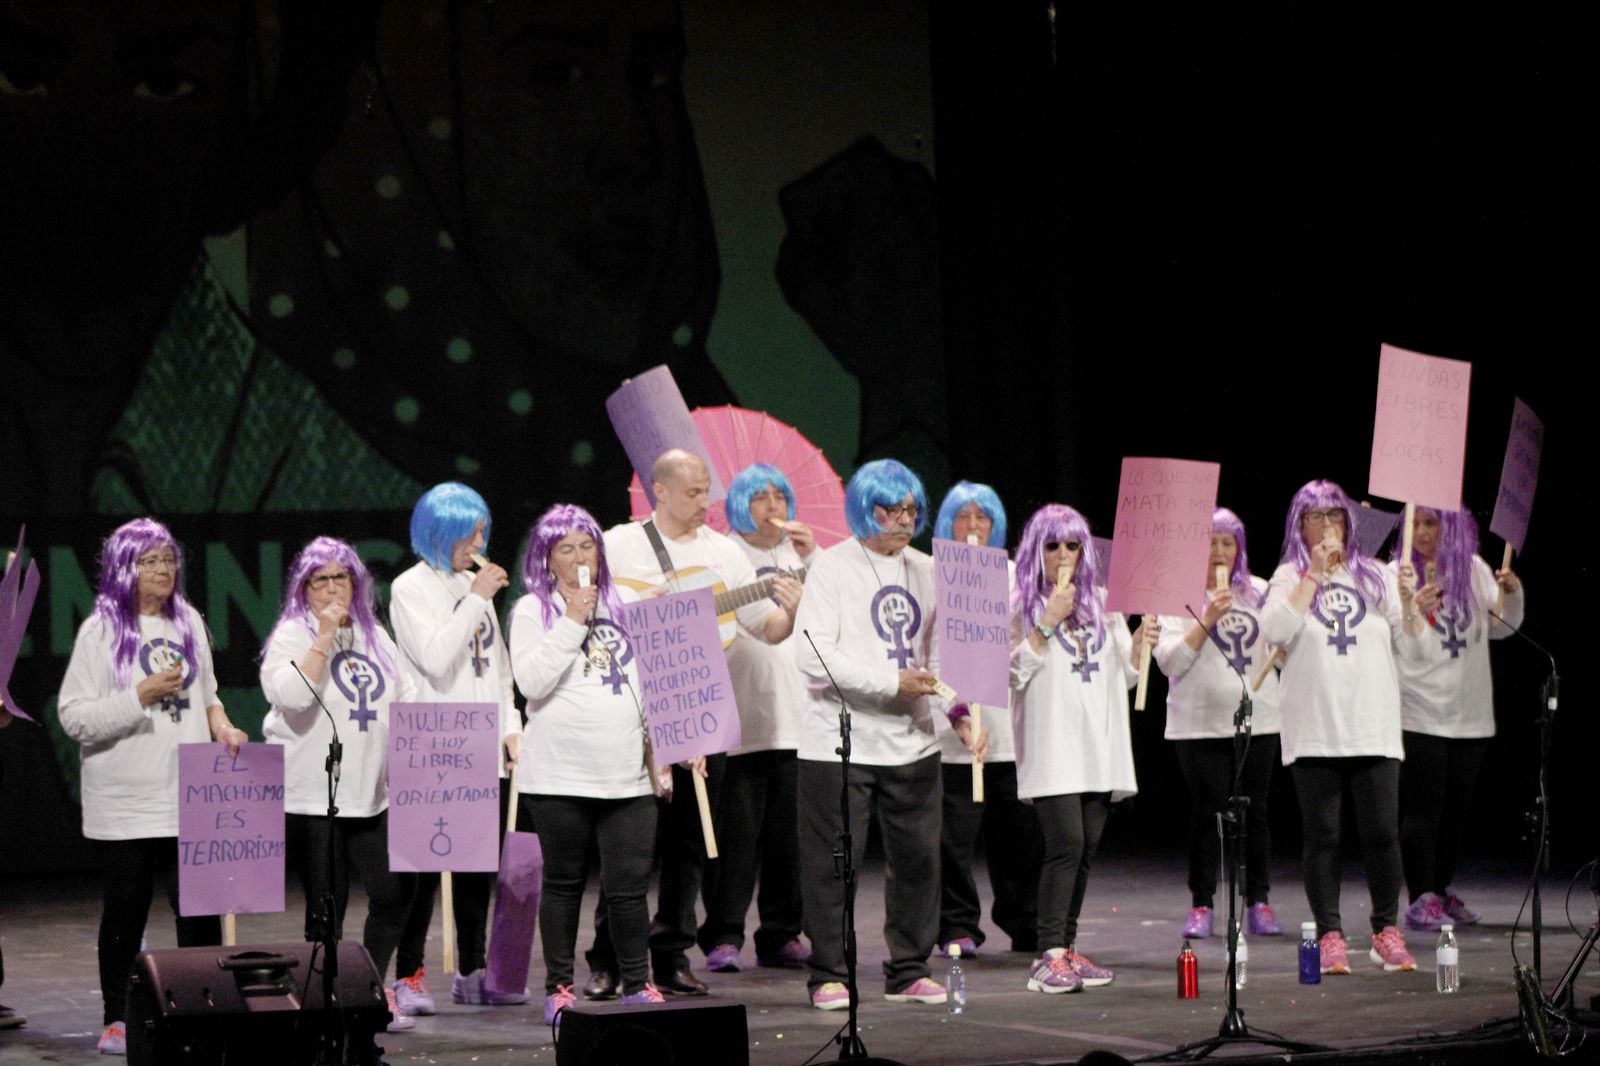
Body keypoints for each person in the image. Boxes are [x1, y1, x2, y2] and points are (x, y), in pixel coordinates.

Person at [583, 449, 801, 997]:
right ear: (659, 491)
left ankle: (672, 954)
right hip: (632, 711)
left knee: (691, 841)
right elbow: (588, 612)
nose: (705, 502)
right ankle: (610, 956)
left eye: (708, 491)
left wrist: (792, 607)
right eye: (693, 492)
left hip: (699, 702)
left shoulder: (725, 552)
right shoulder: (620, 544)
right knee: (628, 844)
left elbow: (767, 628)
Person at [794, 459, 986, 1010]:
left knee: (920, 862)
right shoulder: (832, 567)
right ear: (864, 509)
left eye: (910, 509)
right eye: (890, 509)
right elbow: (812, 655)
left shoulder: (929, 570)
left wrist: (959, 713)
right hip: (839, 743)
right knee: (834, 866)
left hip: (912, 742)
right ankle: (829, 973)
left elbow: (942, 658)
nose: (903, 519)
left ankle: (908, 970)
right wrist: (888, 682)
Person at [57, 518, 248, 1055]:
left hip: (188, 796)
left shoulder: (188, 621)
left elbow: (209, 696)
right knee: (126, 911)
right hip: (126, 802)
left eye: (169, 559)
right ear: (126, 568)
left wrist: (224, 728)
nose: (164, 569)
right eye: (150, 561)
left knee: (200, 911)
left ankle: (204, 1011)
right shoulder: (101, 631)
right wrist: (138, 695)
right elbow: (74, 717)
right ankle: (117, 1019)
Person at [509, 504, 665, 1024]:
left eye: (587, 545)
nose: (579, 556)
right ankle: (558, 987)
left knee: (629, 889)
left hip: (627, 774)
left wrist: (671, 744)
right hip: (559, 775)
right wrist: (572, 620)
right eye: (566, 548)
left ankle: (638, 983)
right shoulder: (532, 611)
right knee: (563, 883)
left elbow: (654, 684)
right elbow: (532, 682)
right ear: (547, 559)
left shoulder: (628, 605)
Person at [1261, 480, 1424, 975]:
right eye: (1315, 517)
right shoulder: (1287, 577)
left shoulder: (1376, 575)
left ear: (1349, 523)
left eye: (1335, 516)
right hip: (1316, 727)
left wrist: (1410, 602)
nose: (1327, 526)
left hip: (1372, 725)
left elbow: (1412, 646)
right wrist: (1312, 575)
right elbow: (1275, 631)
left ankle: (1385, 931)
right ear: (1300, 526)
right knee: (1323, 835)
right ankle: (1330, 934)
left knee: (1382, 834)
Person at [260, 537, 419, 1034]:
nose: (332, 588)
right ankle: (325, 1002)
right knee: (326, 911)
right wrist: (324, 637)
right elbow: (291, 697)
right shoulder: (293, 634)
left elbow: (407, 696)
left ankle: (366, 988)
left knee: (393, 894)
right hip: (315, 797)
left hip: (373, 793)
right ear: (304, 589)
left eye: (341, 578)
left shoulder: (376, 636)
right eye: (321, 580)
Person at [1008, 505, 1157, 995]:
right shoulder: (1020, 603)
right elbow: (1010, 674)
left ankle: (1066, 948)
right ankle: (1048, 954)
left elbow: (1125, 675)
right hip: (1052, 745)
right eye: (1052, 545)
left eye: (1072, 545)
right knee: (1066, 844)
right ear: (1037, 551)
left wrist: (1138, 644)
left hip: (1098, 744)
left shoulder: (1103, 603)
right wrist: (1046, 623)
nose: (1063, 555)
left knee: (1086, 848)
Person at [389, 483, 525, 1008]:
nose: (479, 543)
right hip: (431, 743)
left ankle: (473, 971)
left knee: (475, 868)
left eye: (482, 532)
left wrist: (511, 724)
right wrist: (476, 600)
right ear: (439, 532)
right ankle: (409, 974)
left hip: (480, 743)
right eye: (470, 534)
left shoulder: (475, 589)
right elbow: (435, 657)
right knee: (421, 871)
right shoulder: (409, 587)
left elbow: (499, 668)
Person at [698, 463, 814, 972]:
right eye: (760, 496)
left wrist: (814, 559)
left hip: (795, 717)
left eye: (779, 496)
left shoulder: (802, 556)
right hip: (739, 719)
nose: (772, 505)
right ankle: (723, 935)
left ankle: (781, 933)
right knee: (734, 841)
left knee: (789, 841)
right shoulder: (723, 555)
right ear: (738, 506)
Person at [1391, 507, 1524, 930]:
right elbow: (1396, 639)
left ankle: (1440, 888)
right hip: (1420, 712)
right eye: (1417, 524)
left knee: (1455, 812)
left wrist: (1512, 594)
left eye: (1432, 523)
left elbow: (1502, 627)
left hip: (1469, 713)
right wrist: (1413, 606)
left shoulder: (1474, 569)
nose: (1423, 532)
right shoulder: (1397, 574)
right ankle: (1420, 897)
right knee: (1424, 810)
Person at [1153, 508, 1283, 940]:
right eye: (1211, 542)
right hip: (1199, 724)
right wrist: (1206, 617)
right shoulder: (1177, 596)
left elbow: (1279, 648)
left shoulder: (1259, 591)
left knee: (1256, 811)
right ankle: (1202, 902)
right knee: (1207, 812)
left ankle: (1258, 900)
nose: (1220, 551)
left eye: (1228, 542)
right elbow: (1169, 661)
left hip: (1258, 719)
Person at [930, 481, 1042, 957]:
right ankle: (956, 925)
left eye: (983, 517)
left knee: (1019, 838)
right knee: (952, 841)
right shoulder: (932, 576)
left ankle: (1025, 920)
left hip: (1008, 729)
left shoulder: (1016, 578)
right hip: (953, 733)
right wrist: (957, 713)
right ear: (947, 524)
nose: (973, 526)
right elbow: (928, 654)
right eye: (963, 517)